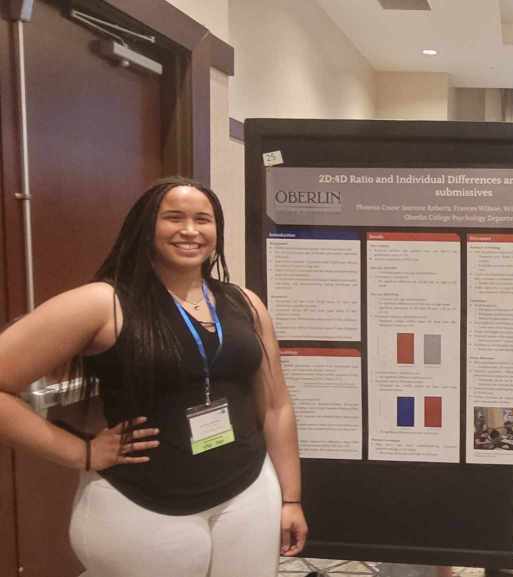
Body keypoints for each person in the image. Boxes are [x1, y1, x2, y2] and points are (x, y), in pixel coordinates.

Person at [0, 177, 307, 577]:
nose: (190, 230)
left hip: (248, 491)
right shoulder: (103, 303)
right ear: (145, 227)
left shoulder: (244, 303)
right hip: (143, 504)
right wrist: (80, 453)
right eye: (174, 217)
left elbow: (276, 405)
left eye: (203, 219)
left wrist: (291, 498)